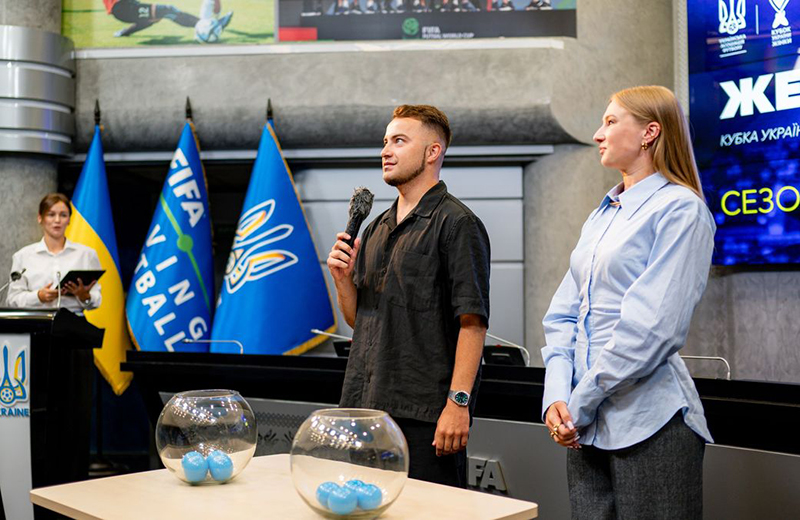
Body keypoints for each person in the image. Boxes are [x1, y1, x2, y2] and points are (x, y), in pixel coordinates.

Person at [541, 85, 715, 520]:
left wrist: (579, 403)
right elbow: (563, 315)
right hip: (584, 427)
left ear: (649, 132)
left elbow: (651, 330)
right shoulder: (602, 213)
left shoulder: (681, 209)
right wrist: (556, 395)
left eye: (610, 121)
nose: (598, 134)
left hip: (650, 424)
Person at [327, 105, 491, 487]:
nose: (386, 151)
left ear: (433, 152)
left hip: (424, 416)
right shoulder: (375, 228)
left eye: (399, 141)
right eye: (385, 142)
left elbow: (473, 324)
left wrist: (458, 405)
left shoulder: (458, 224)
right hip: (365, 408)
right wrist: (342, 281)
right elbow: (361, 320)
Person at [6, 193, 102, 315]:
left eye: (63, 215)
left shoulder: (87, 254)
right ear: (40, 218)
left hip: (74, 321)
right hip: (36, 321)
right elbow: (12, 300)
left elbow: (97, 300)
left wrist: (84, 296)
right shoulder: (23, 256)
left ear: (69, 220)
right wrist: (38, 296)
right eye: (51, 215)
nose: (57, 220)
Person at [104, 0, 232, 39]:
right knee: (167, 10)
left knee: (156, 17)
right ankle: (209, 26)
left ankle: (125, 32)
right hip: (122, 7)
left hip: (124, 8)